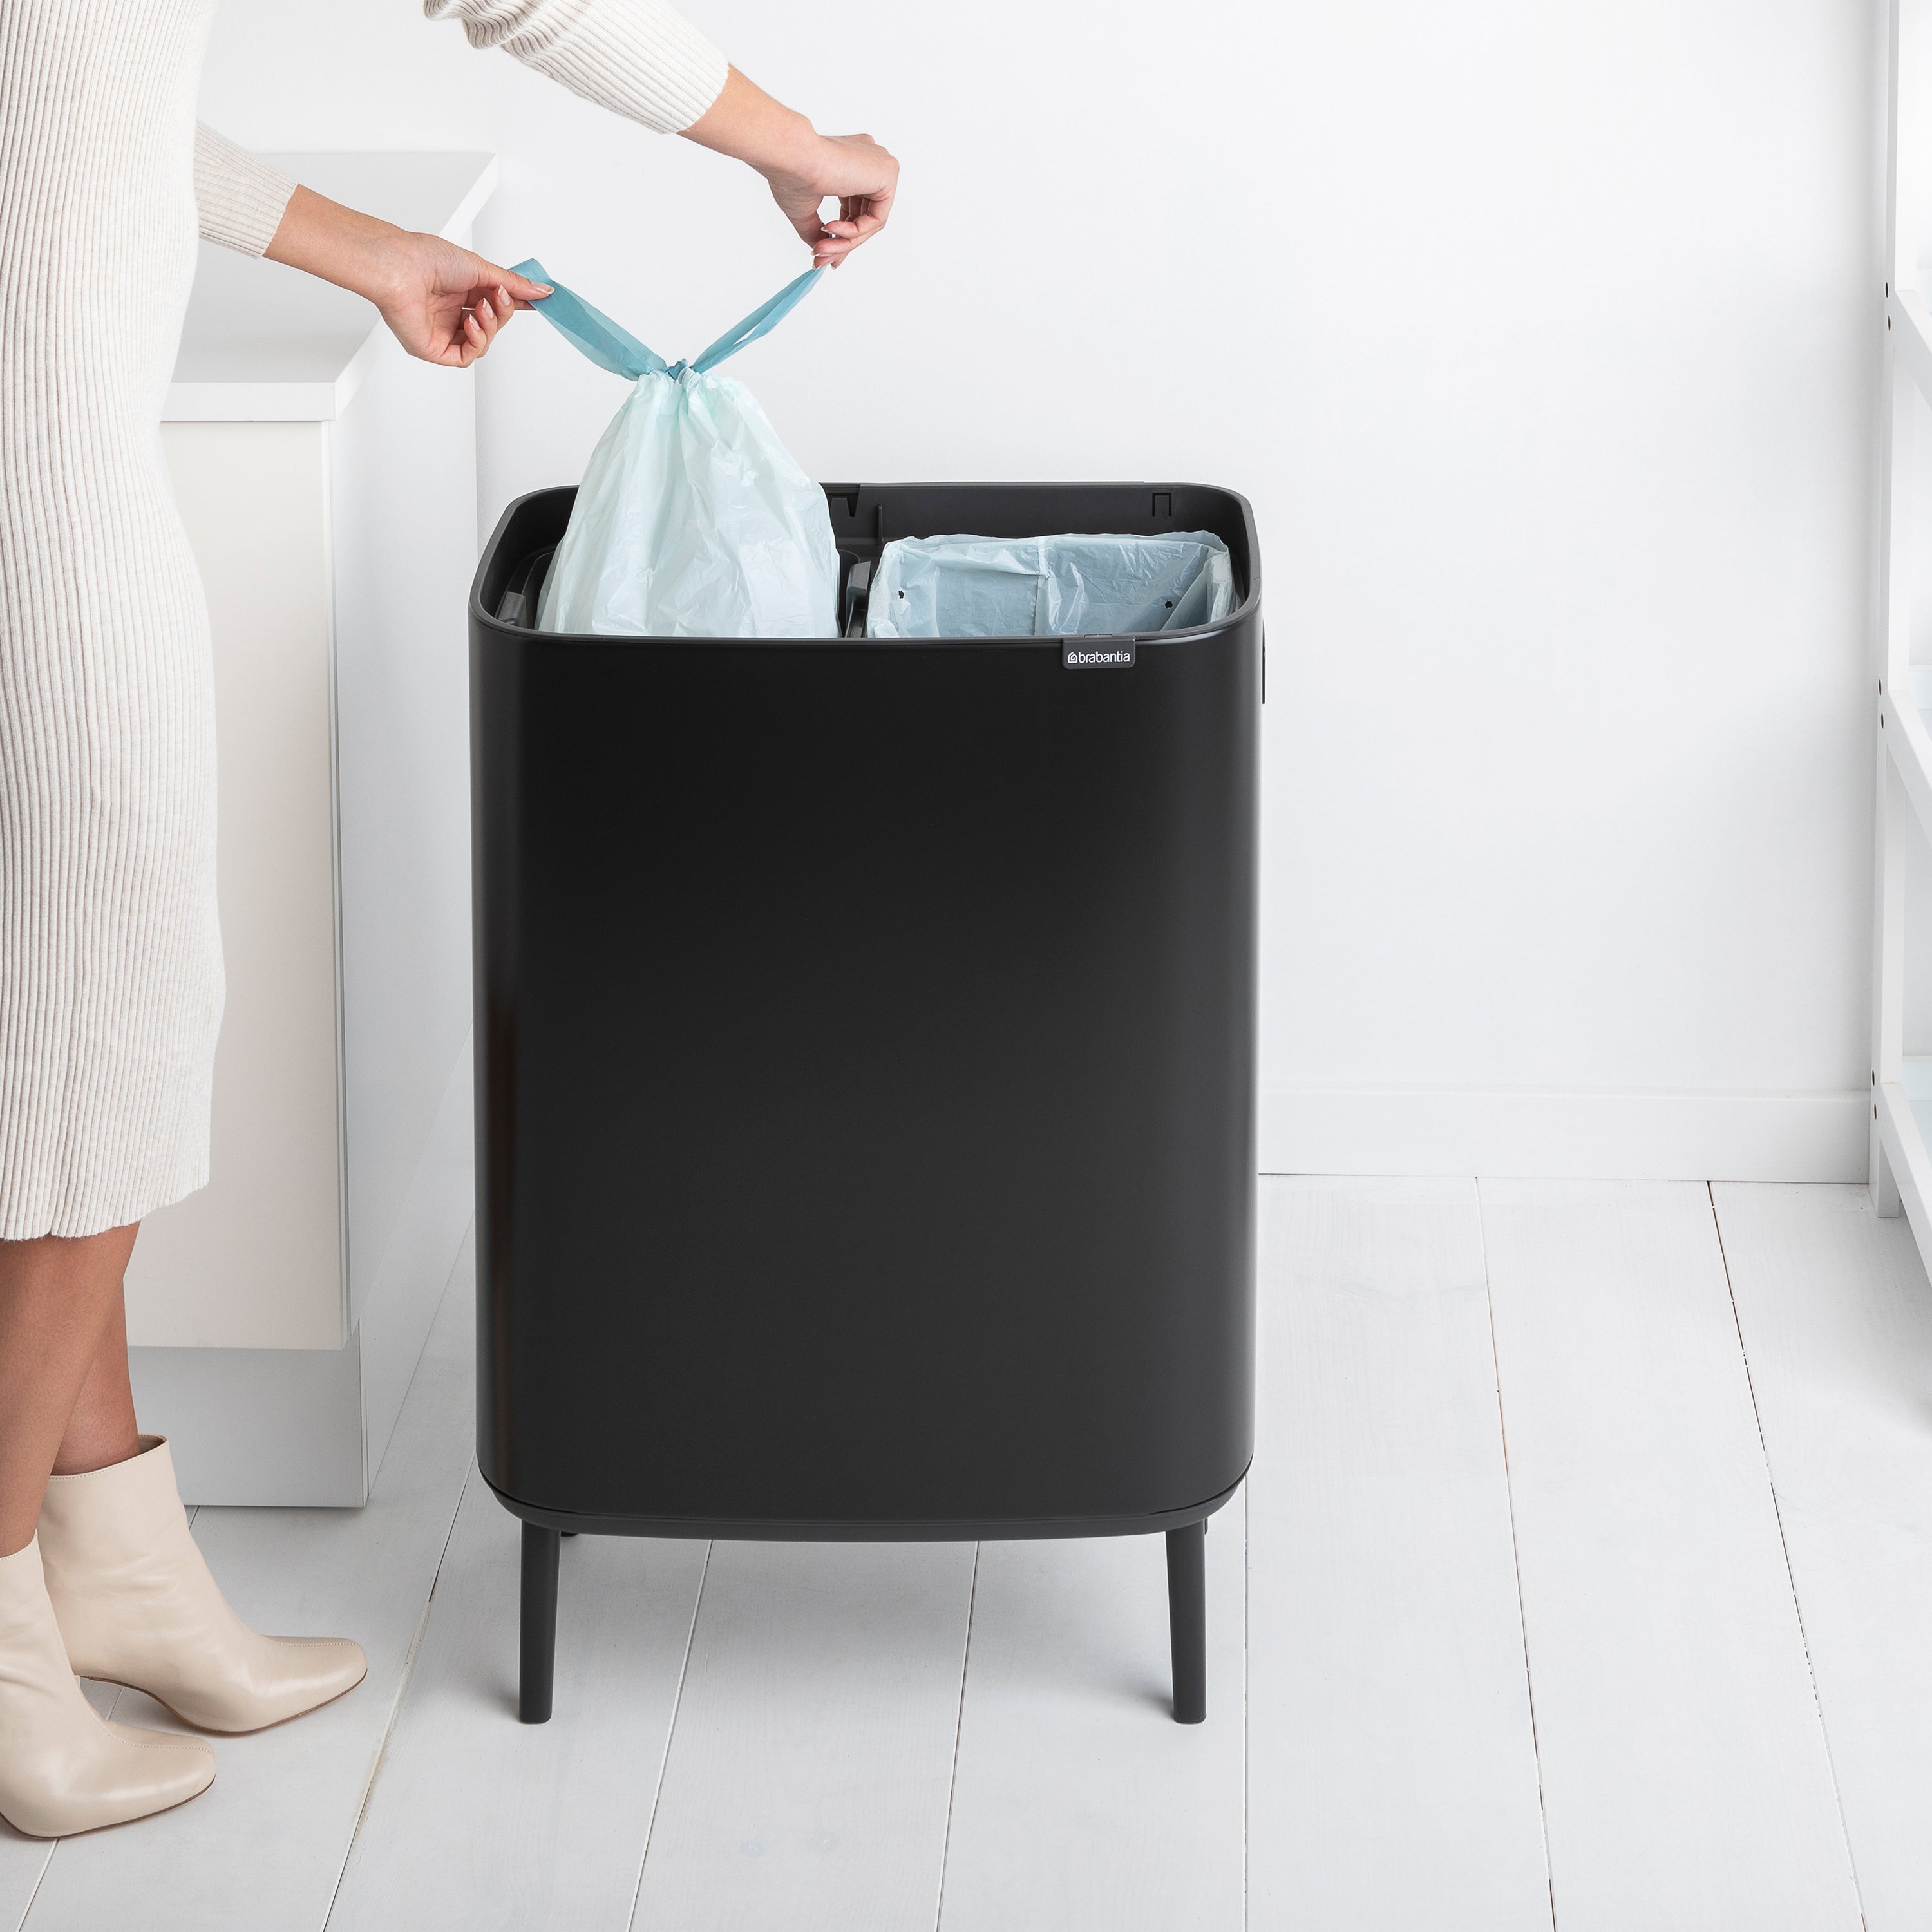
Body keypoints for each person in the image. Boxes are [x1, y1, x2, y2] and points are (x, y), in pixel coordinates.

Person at [0, 0, 896, 1839]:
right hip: (41, 512)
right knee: (105, 1052)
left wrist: (373, 255)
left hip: (51, 473)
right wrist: (807, 152)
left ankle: (114, 1564)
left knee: (81, 1044)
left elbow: (75, 104)